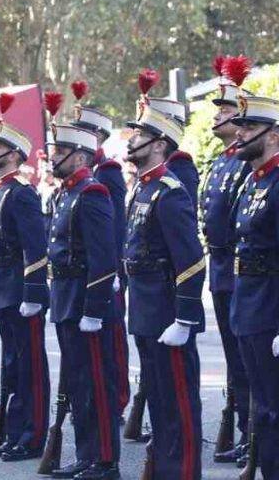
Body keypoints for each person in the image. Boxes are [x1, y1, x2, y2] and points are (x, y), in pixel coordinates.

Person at [124, 104, 205, 480]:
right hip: (144, 309)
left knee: (178, 404)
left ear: (158, 144)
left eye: (139, 135)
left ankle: (183, 473)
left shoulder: (169, 192)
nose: (132, 140)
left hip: (166, 311)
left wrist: (185, 318)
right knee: (158, 400)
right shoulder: (143, 188)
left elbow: (190, 259)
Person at [47, 123, 121, 480]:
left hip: (83, 302)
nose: (53, 156)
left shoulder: (93, 193)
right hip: (65, 298)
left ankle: (105, 460)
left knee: (95, 384)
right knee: (78, 384)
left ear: (79, 156)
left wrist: (94, 310)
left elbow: (104, 257)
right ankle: (86, 455)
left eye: (60, 152)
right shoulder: (66, 194)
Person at [0, 117, 50, 462]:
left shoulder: (20, 193)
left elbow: (34, 247)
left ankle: (33, 434)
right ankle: (14, 430)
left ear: (12, 154)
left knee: (30, 366)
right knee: (12, 364)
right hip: (2, 287)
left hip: (21, 290)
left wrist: (33, 293)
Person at [200, 75, 252, 463]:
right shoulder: (221, 161)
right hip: (221, 268)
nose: (218, 117)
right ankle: (242, 429)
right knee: (235, 358)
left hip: (241, 269)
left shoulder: (249, 165)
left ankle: (254, 434)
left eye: (226, 111)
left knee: (249, 357)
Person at [70, 84, 130, 419]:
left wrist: (115, 271)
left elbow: (115, 224)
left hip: (108, 267)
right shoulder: (86, 174)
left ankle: (117, 398)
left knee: (113, 339)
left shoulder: (107, 172)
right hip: (86, 268)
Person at [229, 93, 279, 479]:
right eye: (241, 125)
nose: (240, 134)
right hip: (248, 304)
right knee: (261, 404)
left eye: (249, 128)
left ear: (274, 136)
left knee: (274, 406)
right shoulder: (253, 181)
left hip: (270, 307)